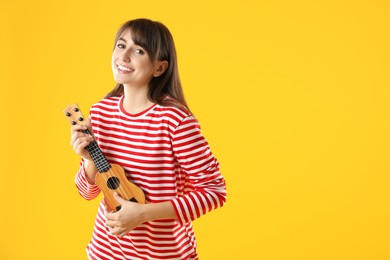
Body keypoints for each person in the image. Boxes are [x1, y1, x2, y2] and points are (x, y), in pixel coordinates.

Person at [69, 18, 227, 260]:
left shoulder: (174, 121)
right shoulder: (100, 112)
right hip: (105, 251)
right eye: (121, 46)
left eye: (139, 50)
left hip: (162, 254)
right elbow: (87, 193)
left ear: (159, 68)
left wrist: (143, 213)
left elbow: (214, 192)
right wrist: (89, 161)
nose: (124, 57)